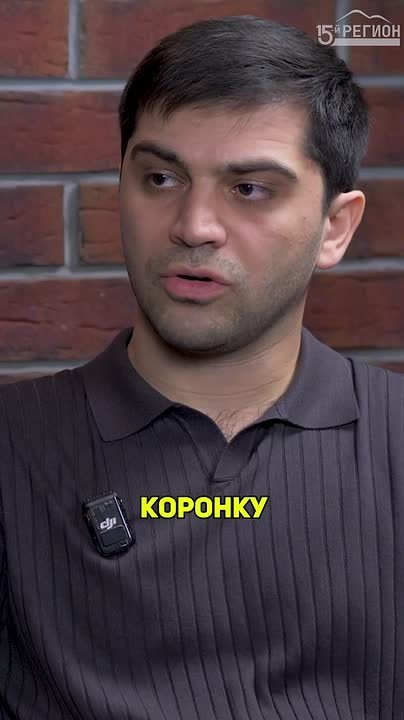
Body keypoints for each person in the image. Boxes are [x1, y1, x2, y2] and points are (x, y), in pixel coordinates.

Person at [0, 13, 403, 720]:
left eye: (249, 189)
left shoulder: (395, 441)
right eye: (161, 177)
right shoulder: (13, 448)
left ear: (334, 228)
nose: (193, 226)